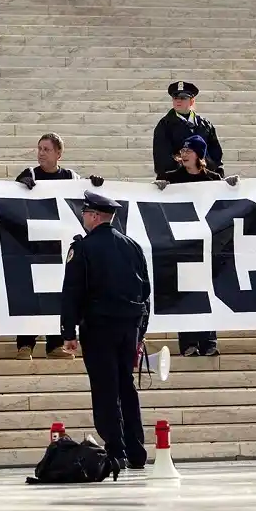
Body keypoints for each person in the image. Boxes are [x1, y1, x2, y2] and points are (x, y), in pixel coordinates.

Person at [61, 190, 152, 470]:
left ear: (95, 216)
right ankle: (136, 450)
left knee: (105, 389)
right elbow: (145, 291)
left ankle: (116, 449)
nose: (83, 218)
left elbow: (73, 292)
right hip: (129, 327)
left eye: (86, 213)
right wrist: (141, 331)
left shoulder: (83, 248)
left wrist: (68, 332)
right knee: (126, 386)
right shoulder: (132, 246)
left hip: (99, 327)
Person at [13, 132, 105, 361]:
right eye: (39, 148)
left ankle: (55, 344)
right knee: (29, 294)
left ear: (58, 153)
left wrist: (93, 184)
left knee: (57, 294)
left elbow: (87, 200)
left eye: (46, 149)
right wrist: (19, 187)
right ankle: (25, 344)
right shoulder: (29, 175)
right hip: (32, 246)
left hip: (59, 248)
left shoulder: (72, 177)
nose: (41, 153)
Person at [154, 135, 238, 357]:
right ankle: (188, 343)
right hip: (182, 246)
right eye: (182, 150)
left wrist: (231, 188)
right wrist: (158, 189)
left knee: (207, 293)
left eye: (189, 150)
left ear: (199, 155)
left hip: (208, 246)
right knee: (185, 294)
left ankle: (209, 340)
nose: (184, 153)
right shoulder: (170, 179)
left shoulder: (214, 179)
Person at [151, 81, 224, 178]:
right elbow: (162, 159)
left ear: (192, 101)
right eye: (175, 97)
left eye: (183, 98)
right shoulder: (164, 125)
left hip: (205, 181)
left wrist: (217, 175)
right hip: (177, 182)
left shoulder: (206, 125)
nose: (178, 101)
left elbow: (216, 155)